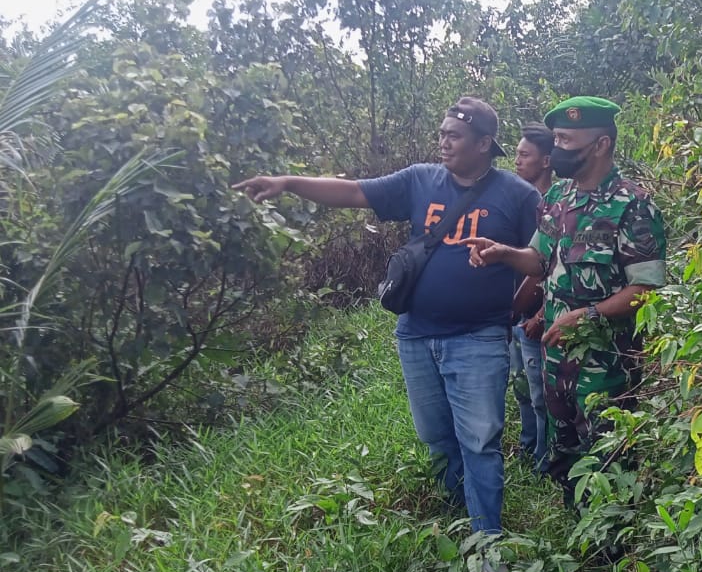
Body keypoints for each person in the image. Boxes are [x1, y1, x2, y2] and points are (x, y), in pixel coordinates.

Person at [234, 97, 540, 534]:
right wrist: (287, 182)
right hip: (415, 335)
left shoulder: (518, 194)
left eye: (453, 136)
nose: (443, 143)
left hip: (478, 338)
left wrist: (507, 256)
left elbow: (543, 259)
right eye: (441, 134)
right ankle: (459, 520)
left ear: (484, 143)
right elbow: (355, 191)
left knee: (480, 441)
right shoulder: (421, 180)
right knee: (437, 438)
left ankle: (487, 540)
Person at [462, 96, 667, 510]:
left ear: (600, 145)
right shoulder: (559, 196)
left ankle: (613, 553)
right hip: (556, 358)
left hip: (607, 364)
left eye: (565, 140)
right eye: (554, 139)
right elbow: (539, 259)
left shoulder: (634, 206)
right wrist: (502, 252)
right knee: (566, 460)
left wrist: (588, 314)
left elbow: (647, 289)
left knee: (609, 459)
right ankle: (580, 536)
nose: (556, 151)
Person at [509, 122, 555, 472]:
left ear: (546, 161)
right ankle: (528, 449)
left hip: (536, 316)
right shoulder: (514, 201)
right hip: (512, 314)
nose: (517, 161)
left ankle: (545, 460)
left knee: (541, 394)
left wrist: (539, 315)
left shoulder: (554, 207)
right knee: (522, 387)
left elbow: (552, 267)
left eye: (525, 155)